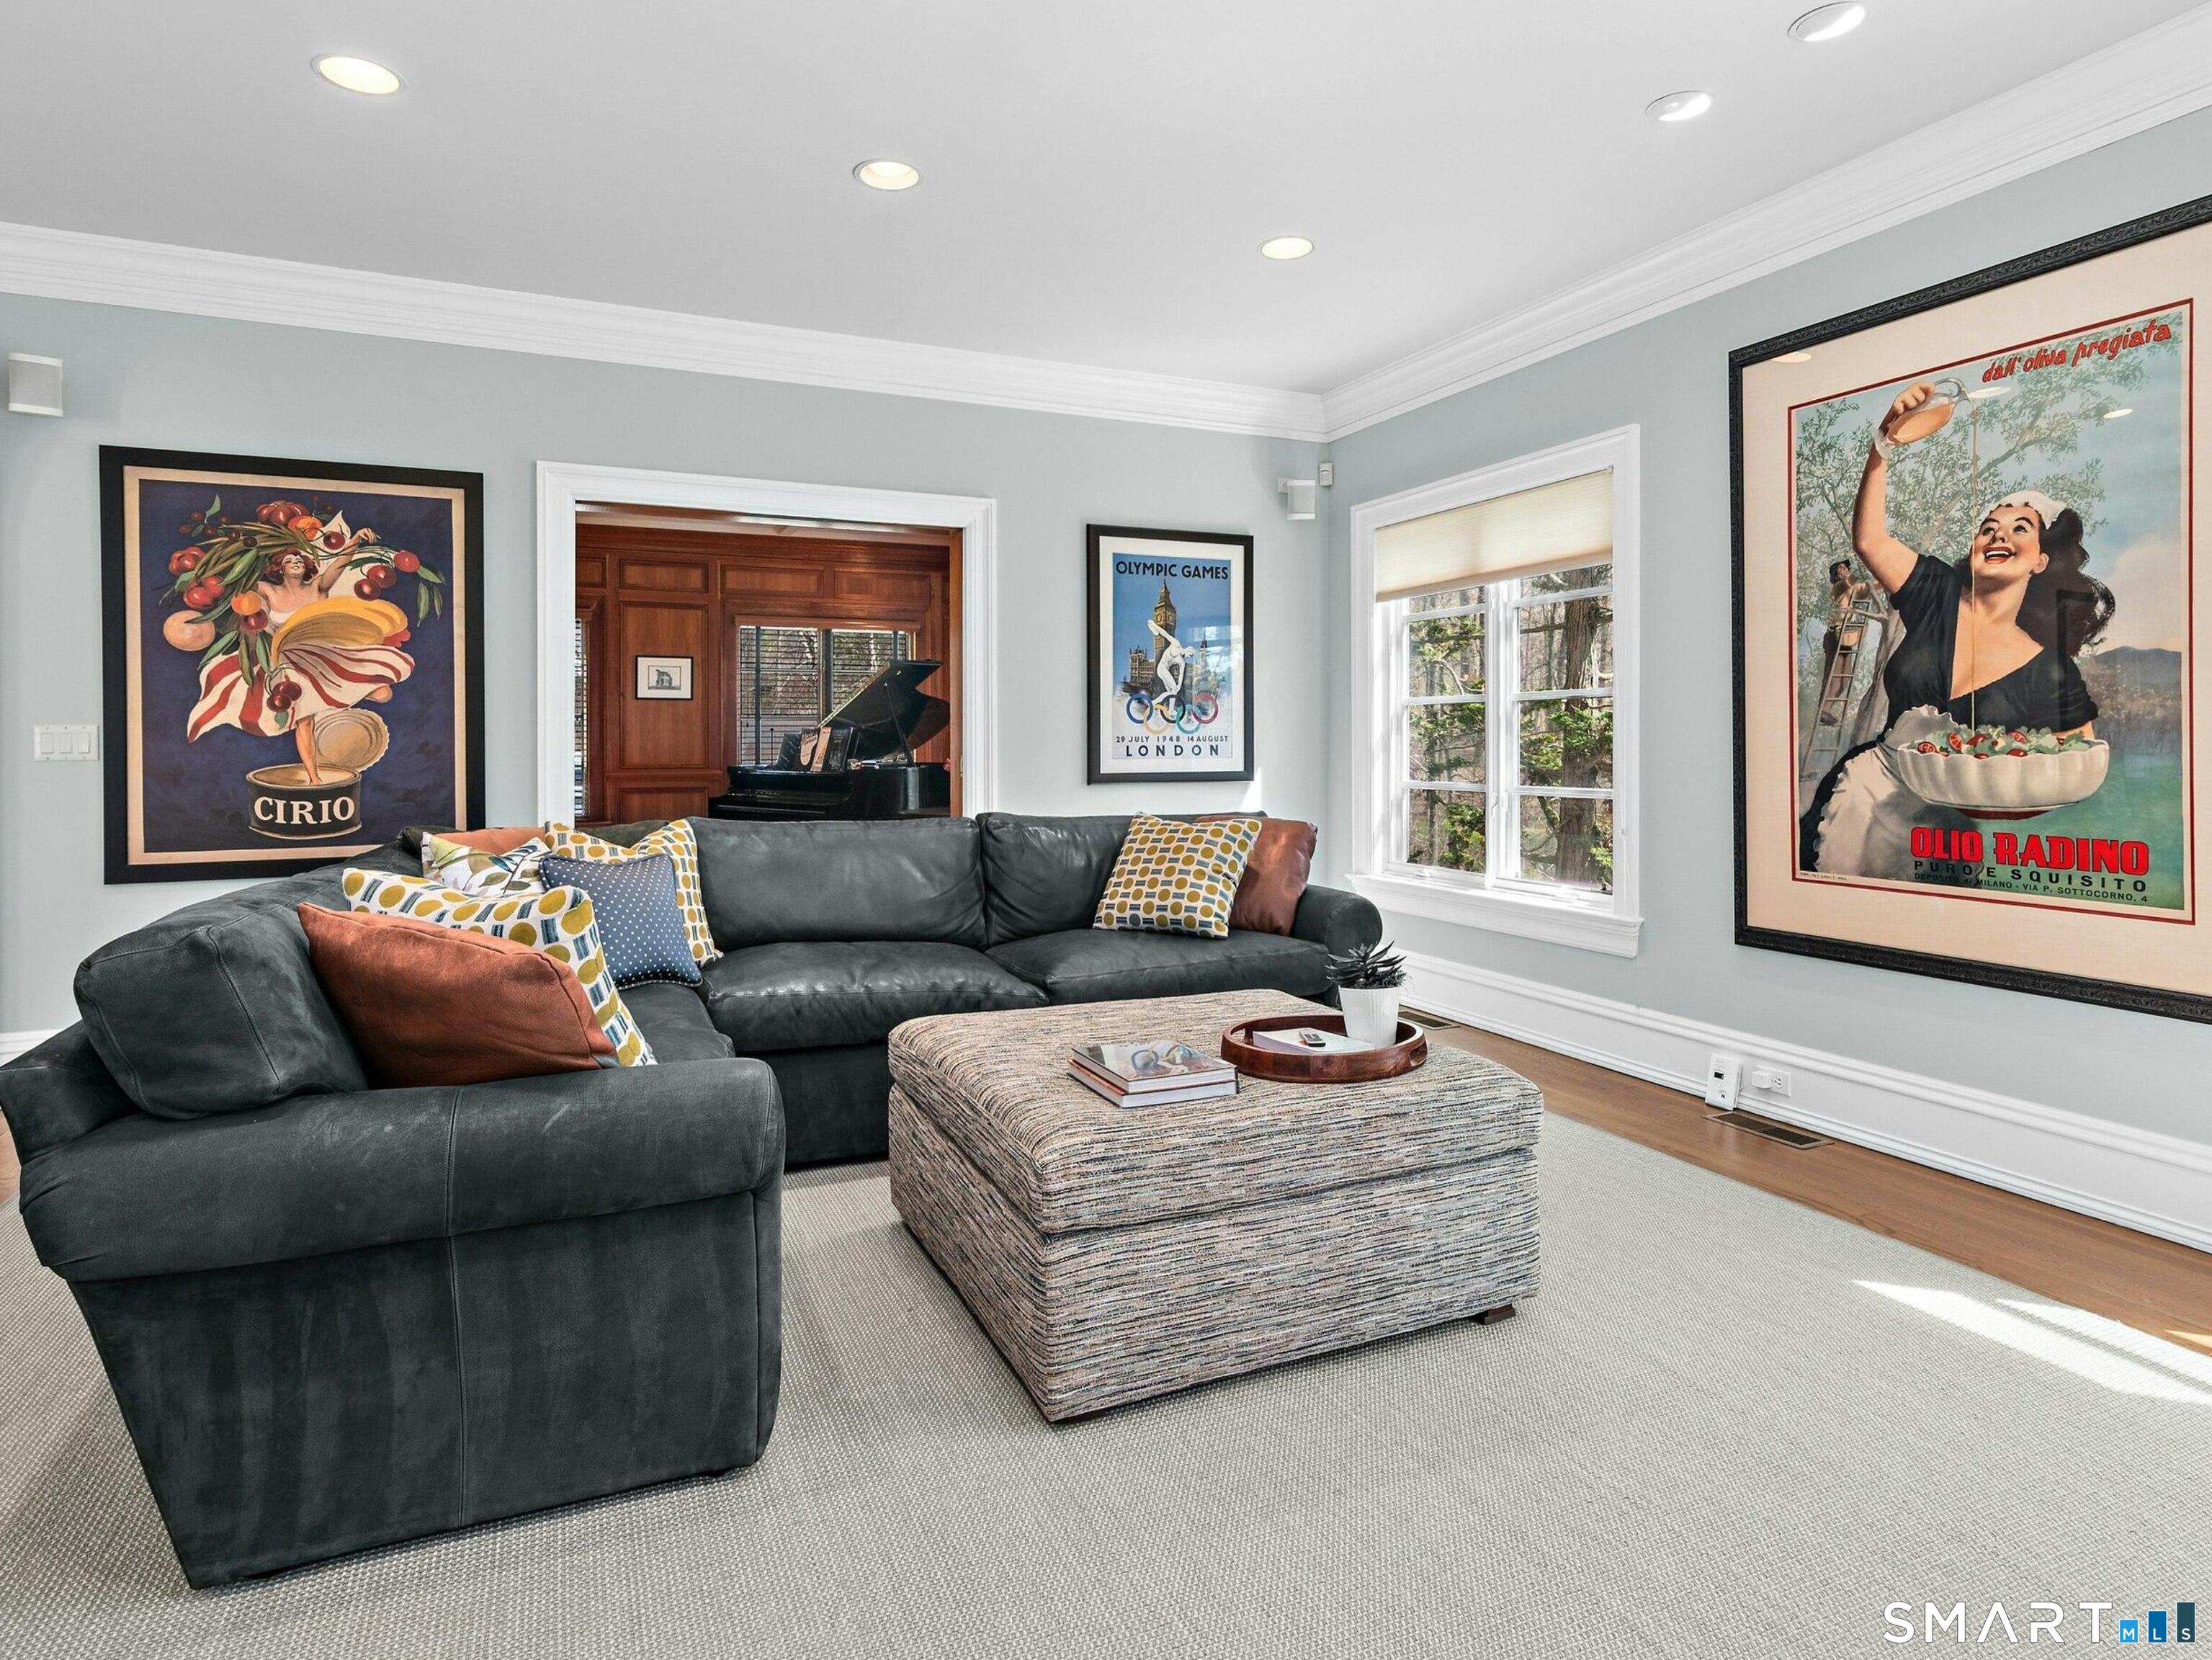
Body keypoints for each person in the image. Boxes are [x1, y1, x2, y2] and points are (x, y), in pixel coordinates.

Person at [1799, 381, 2113, 879]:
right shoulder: (1935, 592)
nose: (1997, 535)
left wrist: (1998, 800)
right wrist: (1880, 448)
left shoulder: (2049, 670)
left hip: (1948, 837)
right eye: (1987, 526)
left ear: (2039, 562)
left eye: (2018, 529)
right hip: (1862, 802)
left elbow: (2069, 766)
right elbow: (1868, 538)